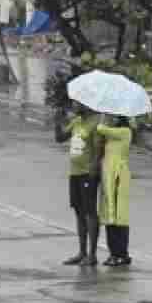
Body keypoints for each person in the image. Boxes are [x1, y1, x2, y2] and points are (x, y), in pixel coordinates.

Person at [55, 102, 103, 266]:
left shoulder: (96, 122)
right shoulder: (77, 121)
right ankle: (81, 252)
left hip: (87, 173)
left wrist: (94, 169)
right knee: (78, 211)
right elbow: (60, 138)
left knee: (90, 211)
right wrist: (57, 122)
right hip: (74, 172)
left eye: (76, 103)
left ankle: (92, 254)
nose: (74, 105)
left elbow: (98, 150)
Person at [97, 115, 134, 266]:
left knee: (119, 217)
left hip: (118, 176)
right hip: (108, 176)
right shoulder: (112, 134)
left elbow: (100, 128)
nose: (110, 119)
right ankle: (114, 253)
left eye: (113, 117)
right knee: (109, 216)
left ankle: (121, 253)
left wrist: (102, 119)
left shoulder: (125, 132)